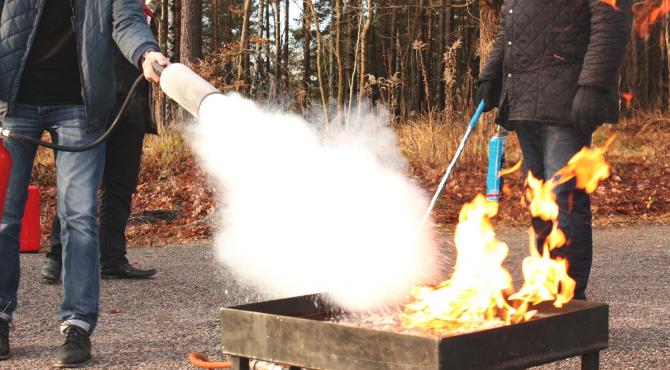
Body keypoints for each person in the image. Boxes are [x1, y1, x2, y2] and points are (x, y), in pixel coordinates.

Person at [0, 0, 169, 367]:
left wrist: (146, 53)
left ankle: (77, 324)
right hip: (12, 103)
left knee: (78, 215)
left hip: (80, 106)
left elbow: (126, 22)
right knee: (4, 216)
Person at [476, 0, 632, 300]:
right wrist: (491, 75)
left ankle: (571, 298)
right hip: (523, 101)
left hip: (567, 102)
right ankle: (546, 287)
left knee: (565, 198)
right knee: (538, 197)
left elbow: (610, 24)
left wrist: (592, 86)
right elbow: (507, 30)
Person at [41, 4, 159, 283]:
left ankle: (112, 258)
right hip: (91, 108)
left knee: (120, 187)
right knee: (77, 184)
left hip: (131, 108)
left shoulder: (144, 13)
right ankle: (57, 256)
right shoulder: (98, 8)